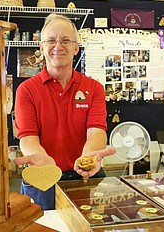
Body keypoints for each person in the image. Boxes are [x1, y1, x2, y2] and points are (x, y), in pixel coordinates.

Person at [13, 14, 116, 210]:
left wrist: (89, 158)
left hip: (84, 178)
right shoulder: (26, 90)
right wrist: (44, 163)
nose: (58, 46)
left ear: (76, 48)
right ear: (41, 48)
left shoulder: (94, 88)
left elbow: (96, 130)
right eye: (51, 41)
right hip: (42, 177)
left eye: (66, 40)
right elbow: (28, 137)